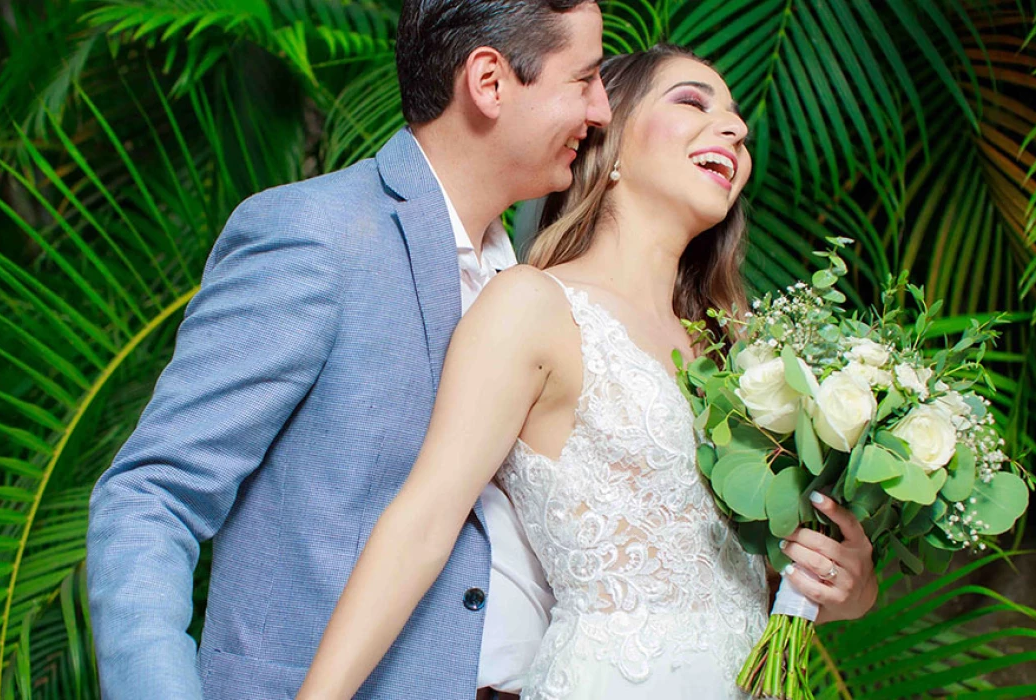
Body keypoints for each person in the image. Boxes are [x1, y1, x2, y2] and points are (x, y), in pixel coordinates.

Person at [296, 45, 878, 700]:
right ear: (613, 142)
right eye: (692, 101)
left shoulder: (745, 355)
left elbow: (751, 571)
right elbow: (425, 520)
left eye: (738, 119)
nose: (736, 129)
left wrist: (848, 587)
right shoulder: (532, 306)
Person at [85, 1, 613, 698]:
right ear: (488, 82)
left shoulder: (539, 291)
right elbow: (151, 497)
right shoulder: (315, 236)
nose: (602, 110)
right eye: (584, 80)